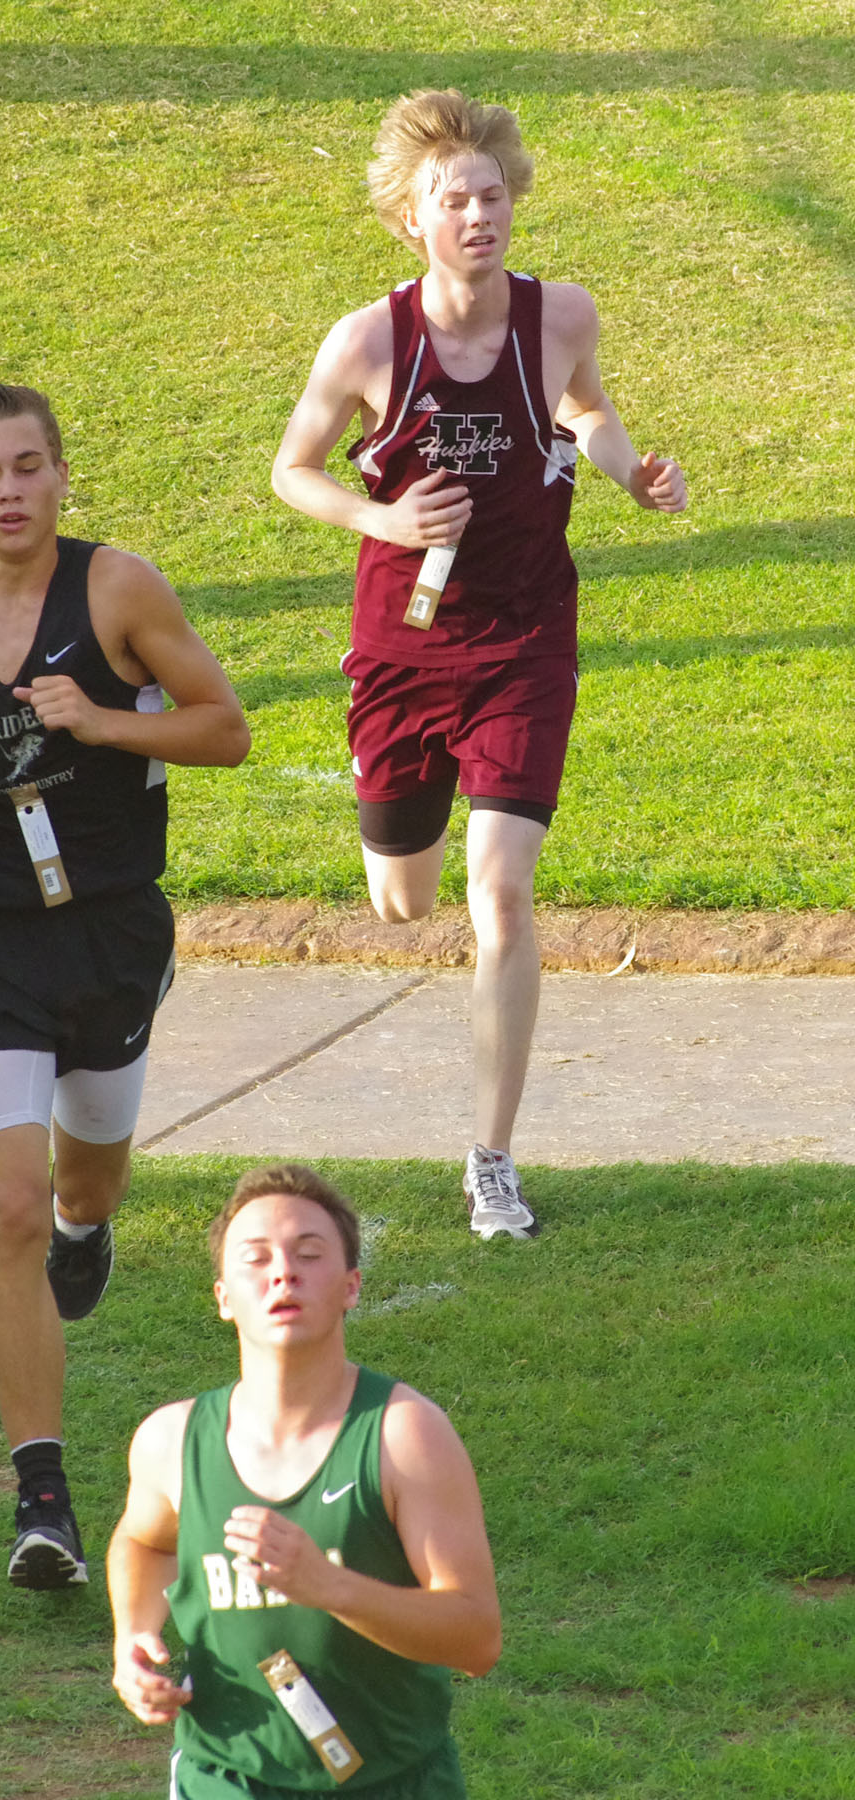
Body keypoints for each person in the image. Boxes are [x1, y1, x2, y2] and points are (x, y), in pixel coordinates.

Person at [0, 379, 250, 1588]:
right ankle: (43, 1500)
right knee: (11, 1206)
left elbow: (223, 728)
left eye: (29, 467)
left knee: (85, 1173)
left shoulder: (118, 589)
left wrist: (101, 722)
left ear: (62, 476)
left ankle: (90, 1225)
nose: (10, 491)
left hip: (109, 932)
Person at [271, 90, 687, 1241]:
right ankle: (403, 830)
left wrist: (630, 472)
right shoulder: (368, 342)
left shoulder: (562, 315)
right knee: (403, 901)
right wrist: (384, 519)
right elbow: (292, 470)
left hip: (523, 641)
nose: (478, 215)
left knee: (500, 891)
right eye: (453, 200)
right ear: (411, 219)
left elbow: (586, 410)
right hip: (403, 647)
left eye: (491, 195)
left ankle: (492, 1163)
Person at [109, 1162, 501, 1799]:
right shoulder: (171, 1441)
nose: (283, 1273)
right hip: (224, 1780)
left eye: (309, 1254)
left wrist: (330, 1586)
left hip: (391, 1784)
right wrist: (134, 1635)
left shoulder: (405, 1436)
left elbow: (476, 1638)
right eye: (256, 1258)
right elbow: (144, 1541)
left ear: (351, 1287)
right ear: (223, 1298)